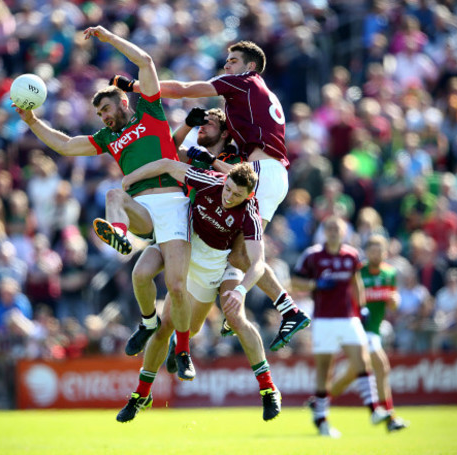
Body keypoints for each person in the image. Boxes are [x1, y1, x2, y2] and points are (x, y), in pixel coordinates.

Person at [13, 25, 194, 378]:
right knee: (115, 196)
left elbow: (145, 61)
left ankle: (183, 351)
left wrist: (108, 38)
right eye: (100, 114)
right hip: (141, 208)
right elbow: (65, 145)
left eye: (108, 109)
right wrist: (33, 120)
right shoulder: (108, 137)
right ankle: (127, 254)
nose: (105, 117)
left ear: (123, 101)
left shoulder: (150, 112)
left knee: (171, 284)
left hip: (173, 204)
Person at [113, 40, 310, 350]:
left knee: (243, 252)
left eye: (233, 61)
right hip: (273, 173)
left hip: (260, 170)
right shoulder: (257, 95)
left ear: (250, 66)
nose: (226, 66)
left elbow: (183, 88)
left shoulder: (243, 82)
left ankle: (280, 308)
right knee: (240, 253)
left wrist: (135, 85)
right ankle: (282, 309)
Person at [116, 159, 280, 423]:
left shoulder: (250, 212)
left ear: (249, 195)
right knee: (164, 322)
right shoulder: (210, 180)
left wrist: (240, 291)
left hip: (211, 265)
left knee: (207, 324)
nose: (229, 197)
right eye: (228, 189)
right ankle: (141, 394)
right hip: (180, 242)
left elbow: (258, 263)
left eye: (237, 195)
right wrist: (130, 178)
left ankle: (269, 389)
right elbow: (168, 164)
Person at [294, 216, 390, 438]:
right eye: (329, 228)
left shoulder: (352, 255)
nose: (334, 231)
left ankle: (374, 410)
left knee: (362, 360)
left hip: (348, 317)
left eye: (337, 228)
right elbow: (295, 281)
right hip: (324, 319)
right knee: (325, 370)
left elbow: (356, 283)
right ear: (324, 232)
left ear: (345, 231)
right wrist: (315, 284)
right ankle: (321, 418)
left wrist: (362, 307)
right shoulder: (313, 255)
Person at [328, 235, 408, 432]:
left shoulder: (389, 273)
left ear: (386, 252)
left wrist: (395, 300)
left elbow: (393, 300)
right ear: (366, 252)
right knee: (381, 365)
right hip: (357, 328)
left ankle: (321, 400)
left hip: (374, 330)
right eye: (372, 250)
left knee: (353, 373)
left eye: (379, 249)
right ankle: (390, 416)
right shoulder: (358, 272)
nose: (376, 253)